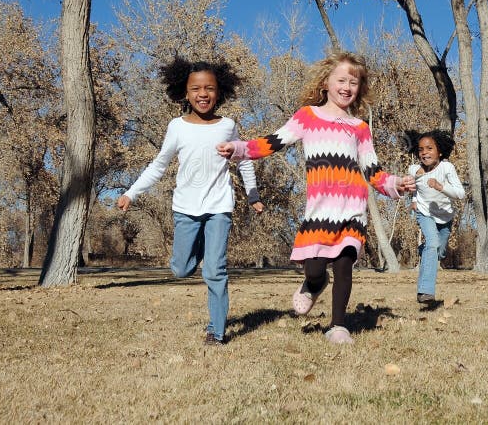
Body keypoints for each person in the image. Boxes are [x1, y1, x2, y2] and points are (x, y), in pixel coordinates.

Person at [217, 51, 415, 344]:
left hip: (352, 209)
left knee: (346, 262)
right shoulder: (307, 117)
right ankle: (315, 283)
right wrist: (238, 148)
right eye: (341, 80)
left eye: (354, 82)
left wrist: (396, 183)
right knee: (315, 269)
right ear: (326, 82)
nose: (347, 87)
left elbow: (373, 171)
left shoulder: (360, 128)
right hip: (320, 211)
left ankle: (338, 326)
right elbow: (272, 142)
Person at [117, 57, 264, 346]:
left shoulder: (227, 126)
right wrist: (131, 192)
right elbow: (159, 165)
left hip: (219, 207)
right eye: (196, 88)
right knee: (181, 269)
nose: (203, 94)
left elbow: (243, 158)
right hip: (185, 208)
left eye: (209, 88)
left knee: (215, 270)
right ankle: (199, 251)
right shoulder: (177, 127)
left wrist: (253, 194)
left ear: (218, 91)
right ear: (185, 93)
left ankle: (217, 332)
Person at [406, 130, 465, 303]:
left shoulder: (447, 168)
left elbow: (460, 194)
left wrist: (441, 187)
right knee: (432, 243)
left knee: (439, 250)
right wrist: (415, 199)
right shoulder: (414, 170)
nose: (424, 152)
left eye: (429, 148)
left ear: (439, 151)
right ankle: (425, 292)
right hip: (425, 213)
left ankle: (425, 251)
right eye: (421, 149)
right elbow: (414, 188)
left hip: (445, 217)